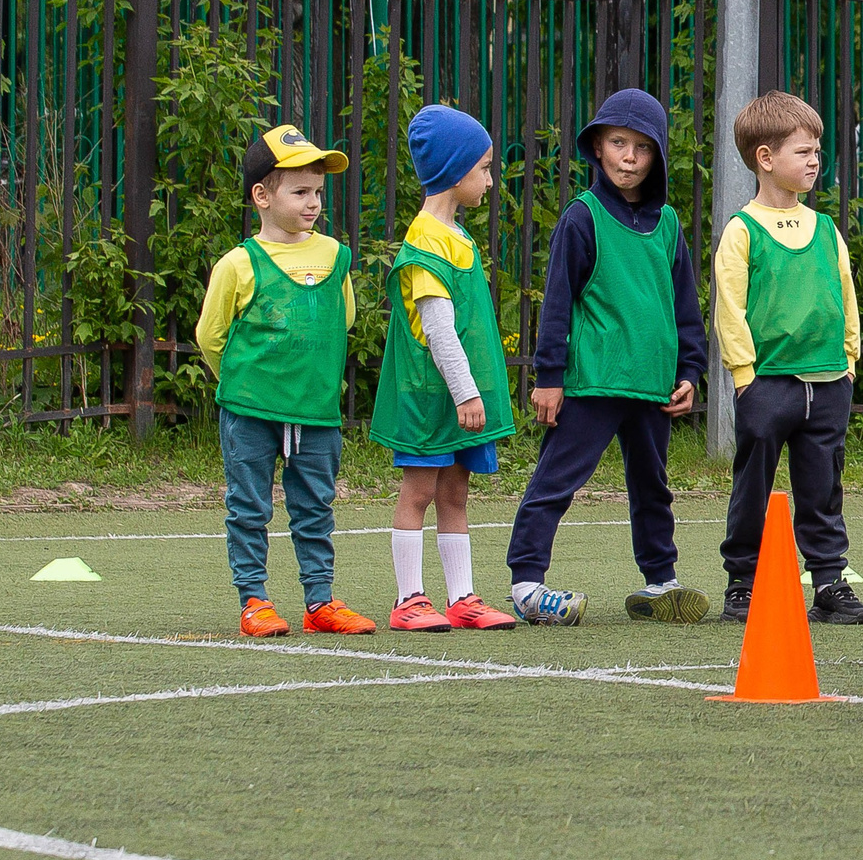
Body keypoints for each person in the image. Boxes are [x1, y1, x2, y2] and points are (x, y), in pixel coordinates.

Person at [504, 89, 710, 626]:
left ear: (657, 157)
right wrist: (549, 377)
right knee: (556, 480)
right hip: (592, 383)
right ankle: (527, 582)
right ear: (597, 147)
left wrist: (690, 371)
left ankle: (660, 581)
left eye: (643, 148)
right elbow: (556, 304)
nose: (628, 157)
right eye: (618, 143)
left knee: (653, 488)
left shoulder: (668, 224)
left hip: (653, 387)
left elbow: (685, 305)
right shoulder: (582, 217)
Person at [198, 125, 367, 637]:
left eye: (318, 192)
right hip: (250, 412)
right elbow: (211, 336)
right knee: (249, 506)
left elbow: (346, 319)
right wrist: (250, 387)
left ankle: (320, 601)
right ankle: (255, 601)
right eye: (300, 192)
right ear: (262, 197)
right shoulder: (237, 264)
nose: (313, 202)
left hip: (316, 413)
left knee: (314, 507)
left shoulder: (336, 257)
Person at [714, 90, 863, 625]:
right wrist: (744, 377)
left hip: (829, 382)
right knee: (752, 484)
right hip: (768, 385)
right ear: (765, 158)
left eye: (817, 151)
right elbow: (729, 309)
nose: (814, 160)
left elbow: (845, 294)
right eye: (803, 151)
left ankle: (829, 580)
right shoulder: (742, 230)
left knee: (823, 485)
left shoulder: (826, 228)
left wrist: (849, 361)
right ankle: (743, 581)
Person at [368, 104, 520, 631]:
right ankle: (409, 599)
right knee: (420, 492)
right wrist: (465, 393)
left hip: (454, 397)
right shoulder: (426, 241)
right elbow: (437, 331)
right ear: (456, 172)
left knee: (455, 493)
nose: (491, 180)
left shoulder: (454, 234)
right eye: (483, 168)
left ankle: (463, 599)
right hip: (430, 396)